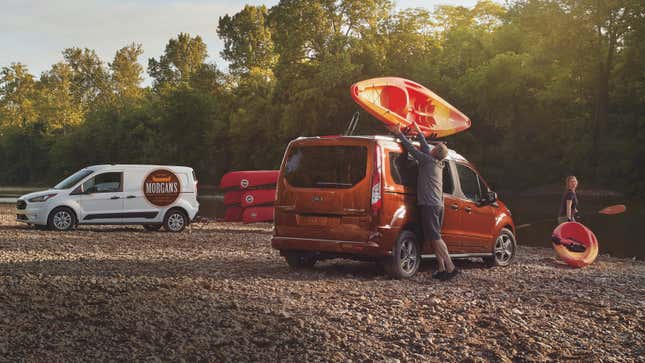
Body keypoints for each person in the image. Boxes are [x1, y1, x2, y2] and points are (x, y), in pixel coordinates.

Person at [391, 123, 458, 281]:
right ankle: (442, 269)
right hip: (436, 204)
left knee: (435, 237)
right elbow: (423, 146)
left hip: (430, 205)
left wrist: (399, 133)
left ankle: (450, 267)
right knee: (434, 236)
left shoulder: (427, 161)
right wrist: (419, 131)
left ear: (436, 151)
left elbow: (412, 150)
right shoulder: (436, 162)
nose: (432, 147)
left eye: (435, 146)